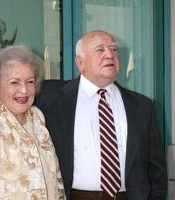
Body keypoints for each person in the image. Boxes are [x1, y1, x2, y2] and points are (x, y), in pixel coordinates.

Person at [35, 30, 167, 200]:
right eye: (100, 50)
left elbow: (157, 170)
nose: (109, 55)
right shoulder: (48, 98)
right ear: (80, 62)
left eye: (113, 49)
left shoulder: (143, 106)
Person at [0, 45, 65, 199]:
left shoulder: (37, 117)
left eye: (30, 82)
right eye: (14, 82)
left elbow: (55, 177)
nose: (24, 90)